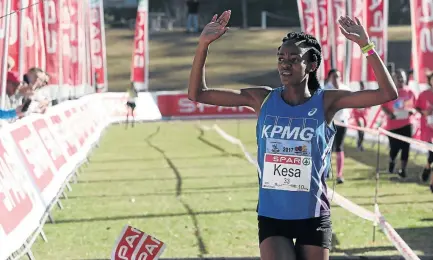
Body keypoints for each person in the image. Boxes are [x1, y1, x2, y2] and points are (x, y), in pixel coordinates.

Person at [188, 11, 397, 260]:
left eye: (294, 59)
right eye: (281, 58)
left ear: (311, 65)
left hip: (313, 215)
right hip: (273, 216)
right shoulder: (261, 98)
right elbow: (198, 94)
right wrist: (203, 46)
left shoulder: (328, 101)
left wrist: (366, 45)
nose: (285, 64)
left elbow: (387, 93)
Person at [381, 69, 416, 178]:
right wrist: (389, 114)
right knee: (394, 148)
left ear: (405, 78)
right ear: (394, 79)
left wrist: (412, 111)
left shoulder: (410, 92)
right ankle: (392, 161)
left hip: (406, 123)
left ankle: (403, 170)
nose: (400, 79)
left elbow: (415, 107)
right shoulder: (390, 91)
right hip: (393, 125)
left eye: (402, 77)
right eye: (398, 77)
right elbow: (383, 106)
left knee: (406, 147)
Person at [324, 69, 351, 184]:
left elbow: (353, 101)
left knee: (339, 147)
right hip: (329, 123)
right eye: (334, 76)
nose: (337, 79)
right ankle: (326, 170)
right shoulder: (325, 90)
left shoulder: (345, 88)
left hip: (342, 122)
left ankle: (339, 175)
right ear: (329, 77)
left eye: (338, 76)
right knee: (327, 147)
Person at [415, 70, 433, 193]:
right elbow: (417, 107)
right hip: (428, 129)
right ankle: (427, 166)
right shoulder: (424, 94)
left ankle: (431, 183)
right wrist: (424, 113)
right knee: (432, 154)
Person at [351, 81, 369, 151]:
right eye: (361, 86)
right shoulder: (357, 94)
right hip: (358, 115)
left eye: (363, 86)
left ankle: (360, 145)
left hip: (364, 115)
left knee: (363, 131)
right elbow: (354, 104)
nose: (362, 87)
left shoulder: (367, 95)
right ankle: (359, 145)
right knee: (360, 130)